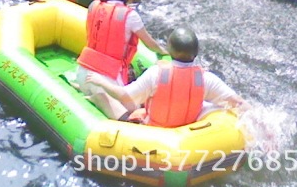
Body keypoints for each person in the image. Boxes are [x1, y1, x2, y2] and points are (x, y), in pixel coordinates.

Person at [85, 27, 246, 125]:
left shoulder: (156, 74)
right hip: (186, 132)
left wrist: (101, 82)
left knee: (102, 96)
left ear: (169, 51)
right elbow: (238, 102)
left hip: (154, 133)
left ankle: (91, 97)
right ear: (196, 53)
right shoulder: (205, 79)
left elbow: (124, 96)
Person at [74, 0, 165, 117]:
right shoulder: (131, 16)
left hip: (83, 72)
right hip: (106, 83)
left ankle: (85, 90)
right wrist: (164, 52)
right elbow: (150, 44)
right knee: (135, 110)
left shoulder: (93, 5)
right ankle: (98, 99)